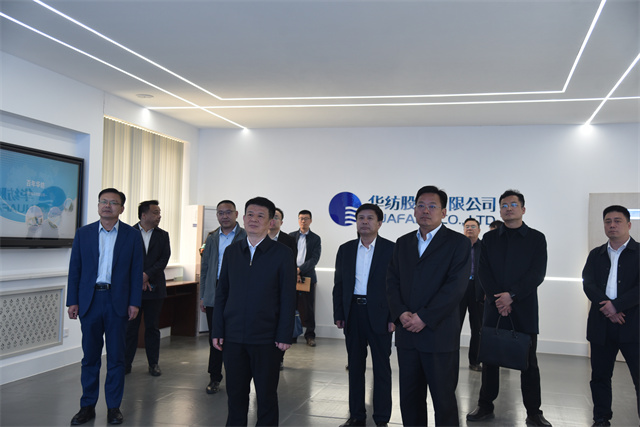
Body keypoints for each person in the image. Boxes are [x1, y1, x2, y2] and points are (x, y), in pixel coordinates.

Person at [387, 185, 471, 426]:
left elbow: (455, 287)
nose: (426, 211)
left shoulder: (458, 243)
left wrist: (424, 317)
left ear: (444, 212)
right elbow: (392, 281)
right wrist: (401, 312)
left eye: (432, 206)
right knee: (410, 399)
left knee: (444, 401)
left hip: (439, 334)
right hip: (407, 335)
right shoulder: (403, 243)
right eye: (421, 206)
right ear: (414, 210)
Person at [467, 189, 551, 426]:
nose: (508, 208)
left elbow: (537, 273)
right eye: (504, 205)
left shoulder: (536, 238)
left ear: (523, 209)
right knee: (490, 358)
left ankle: (534, 411)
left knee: (528, 361)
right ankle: (485, 405)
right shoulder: (490, 239)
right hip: (494, 306)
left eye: (513, 204)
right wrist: (500, 299)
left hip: (523, 306)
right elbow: (484, 271)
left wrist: (511, 296)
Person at [212, 197, 296, 426]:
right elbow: (222, 293)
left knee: (266, 396)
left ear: (270, 222)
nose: (254, 219)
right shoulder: (232, 252)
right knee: (235, 395)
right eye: (250, 214)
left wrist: (284, 334)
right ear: (243, 217)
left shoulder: (282, 253)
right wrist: (218, 329)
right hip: (233, 337)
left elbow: (288, 296)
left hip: (266, 338)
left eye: (260, 216)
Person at [67, 188, 143, 425]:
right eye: (103, 201)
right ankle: (87, 406)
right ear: (98, 205)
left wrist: (134, 302)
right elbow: (75, 268)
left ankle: (113, 407)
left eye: (113, 202)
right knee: (90, 357)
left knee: (117, 358)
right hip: (90, 301)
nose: (107, 206)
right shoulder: (84, 233)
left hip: (117, 302)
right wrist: (72, 300)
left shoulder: (132, 236)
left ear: (122, 208)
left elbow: (136, 272)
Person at [333, 203, 395, 427]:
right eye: (361, 218)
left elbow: (397, 286)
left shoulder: (391, 249)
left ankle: (382, 419)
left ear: (379, 223)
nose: (365, 222)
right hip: (353, 313)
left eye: (370, 218)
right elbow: (339, 283)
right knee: (355, 367)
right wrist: (339, 312)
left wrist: (394, 317)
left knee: (382, 368)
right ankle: (357, 416)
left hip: (381, 315)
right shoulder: (346, 249)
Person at [582, 205, 639, 426]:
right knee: (600, 377)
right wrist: (607, 308)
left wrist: (616, 306)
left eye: (617, 221)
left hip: (633, 325)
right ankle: (601, 418)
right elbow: (588, 283)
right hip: (601, 325)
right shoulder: (596, 254)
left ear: (629, 225)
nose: (612, 225)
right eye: (608, 221)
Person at [200, 200, 247, 394]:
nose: (224, 216)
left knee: (236, 337)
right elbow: (205, 268)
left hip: (237, 292)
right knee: (215, 336)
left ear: (236, 214)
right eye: (221, 213)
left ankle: (237, 377)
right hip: (215, 290)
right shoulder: (212, 238)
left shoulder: (245, 236)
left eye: (228, 212)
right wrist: (203, 295)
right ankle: (214, 377)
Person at [125, 200, 171, 376]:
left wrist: (147, 275)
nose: (159, 216)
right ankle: (126, 364)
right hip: (132, 289)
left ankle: (153, 364)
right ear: (143, 215)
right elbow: (125, 259)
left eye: (159, 212)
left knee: (152, 328)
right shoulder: (128, 233)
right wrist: (140, 277)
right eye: (155, 212)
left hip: (155, 288)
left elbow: (163, 259)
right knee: (130, 328)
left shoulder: (163, 235)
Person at [268, 207, 298, 370]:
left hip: (281, 287)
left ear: (282, 221)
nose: (273, 220)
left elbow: (291, 265)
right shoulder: (258, 237)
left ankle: (279, 357)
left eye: (276, 217)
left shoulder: (289, 240)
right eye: (271, 217)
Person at [290, 210, 322, 347]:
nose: (303, 221)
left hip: (307, 277)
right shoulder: (291, 236)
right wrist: (294, 271)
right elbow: (288, 255)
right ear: (298, 220)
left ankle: (310, 336)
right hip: (291, 276)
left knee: (308, 308)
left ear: (311, 221)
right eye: (301, 218)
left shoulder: (315, 238)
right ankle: (292, 334)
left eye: (306, 218)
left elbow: (314, 259)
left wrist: (299, 270)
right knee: (290, 306)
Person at [460, 217, 483, 371]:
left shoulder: (485, 247)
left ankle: (474, 361)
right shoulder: (458, 247)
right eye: (467, 226)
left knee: (478, 328)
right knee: (454, 326)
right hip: (460, 290)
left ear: (479, 230)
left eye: (473, 226)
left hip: (478, 289)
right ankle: (450, 360)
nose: (469, 229)